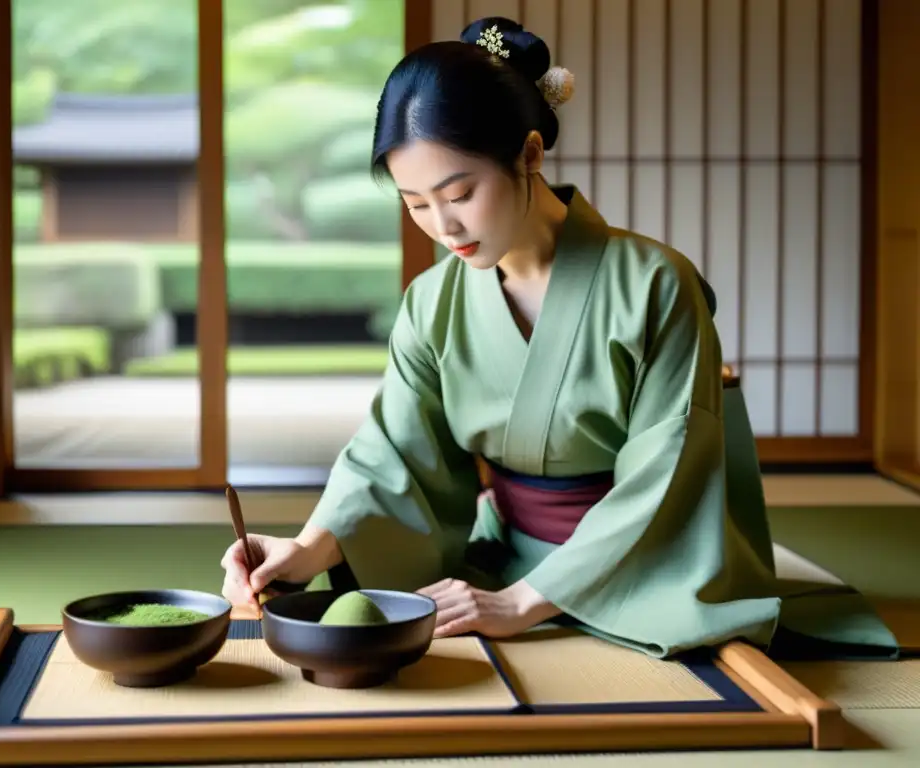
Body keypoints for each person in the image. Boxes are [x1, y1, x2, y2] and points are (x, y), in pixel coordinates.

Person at [222, 17, 900, 660]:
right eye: (415, 203)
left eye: (459, 193)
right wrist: (308, 549)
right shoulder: (431, 303)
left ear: (531, 153)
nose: (443, 227)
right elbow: (392, 454)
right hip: (501, 555)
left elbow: (669, 472)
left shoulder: (655, 285)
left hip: (649, 565)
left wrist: (522, 605)